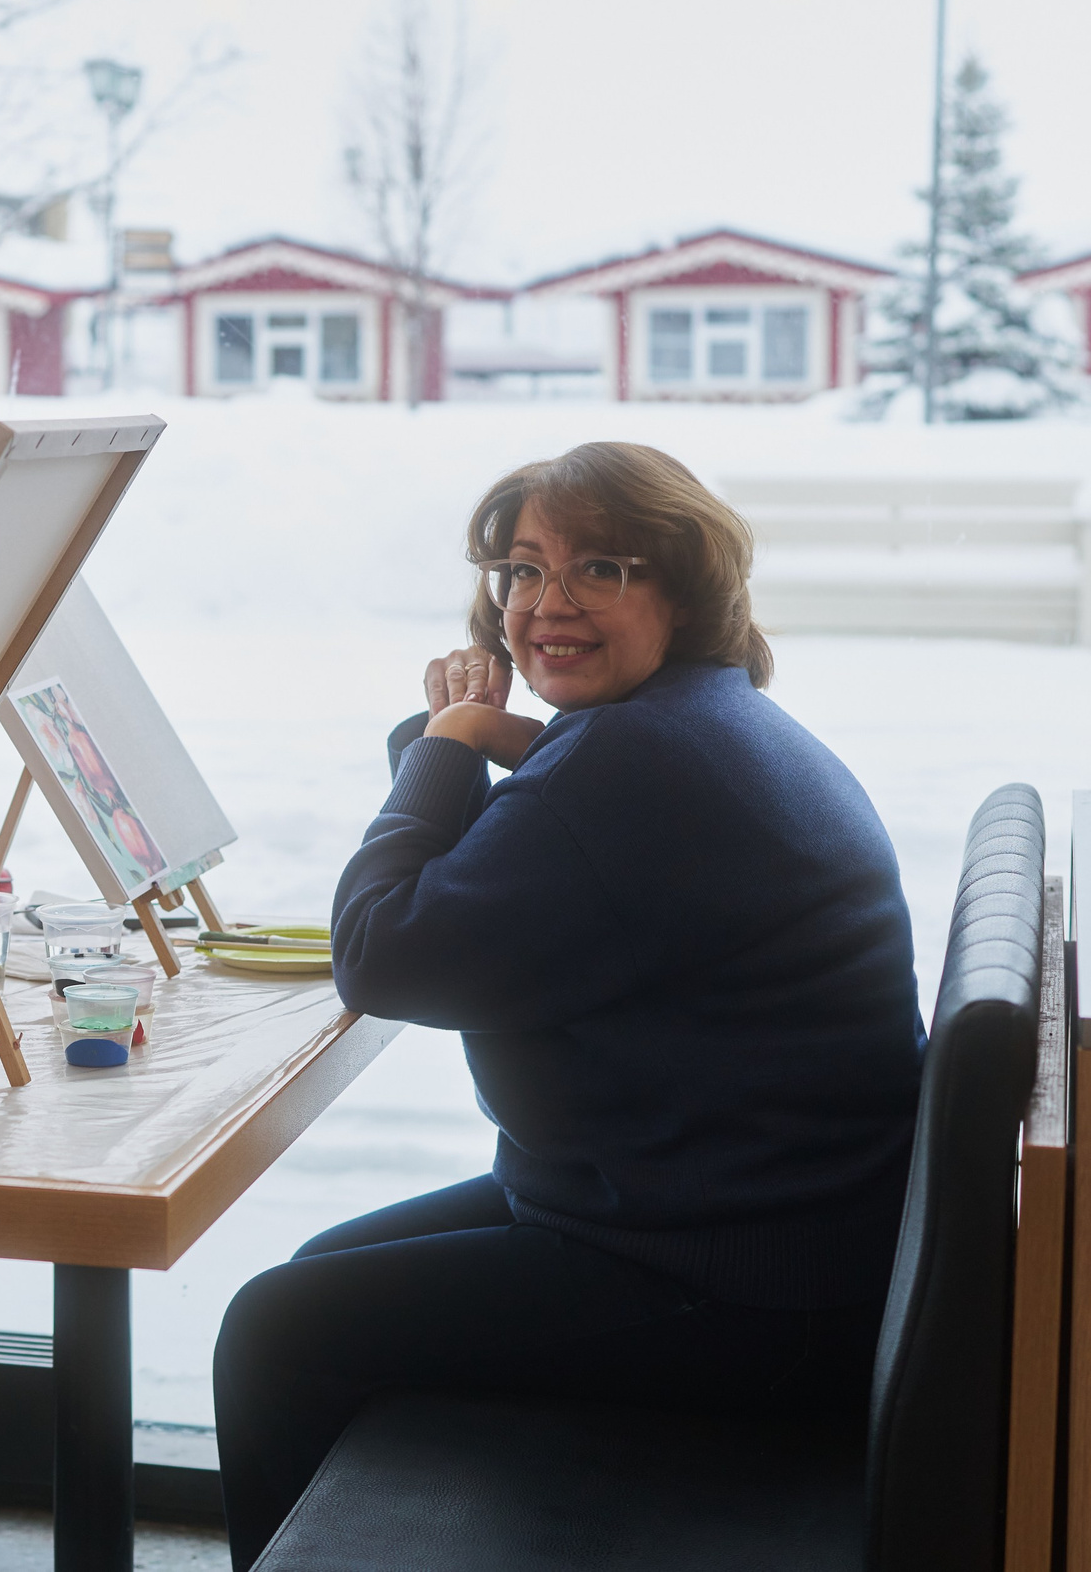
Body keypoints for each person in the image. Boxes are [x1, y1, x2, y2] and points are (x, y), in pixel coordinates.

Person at [212, 442, 924, 1566]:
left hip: (729, 1286)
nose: (546, 605)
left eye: (600, 568)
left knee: (278, 1334)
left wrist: (443, 746)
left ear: (683, 591)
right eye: (521, 570)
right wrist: (479, 749)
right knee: (312, 1276)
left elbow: (382, 954)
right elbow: (549, 855)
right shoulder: (688, 727)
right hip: (723, 1227)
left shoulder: (636, 765)